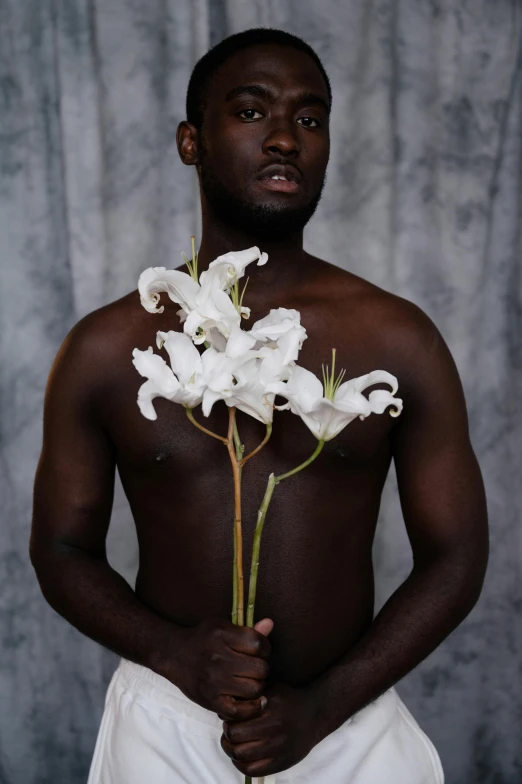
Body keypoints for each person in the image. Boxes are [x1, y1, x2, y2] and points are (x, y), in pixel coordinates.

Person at [30, 27, 488, 784]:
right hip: (166, 725)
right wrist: (173, 654)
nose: (285, 138)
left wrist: (323, 707)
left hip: (351, 730)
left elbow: (458, 557)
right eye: (251, 112)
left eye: (310, 119)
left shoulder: (397, 339)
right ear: (191, 142)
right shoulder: (107, 348)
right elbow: (60, 550)